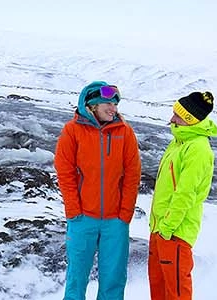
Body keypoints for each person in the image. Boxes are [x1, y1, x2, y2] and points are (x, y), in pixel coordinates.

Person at [54, 81, 141, 300]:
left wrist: (125, 214)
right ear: (92, 105)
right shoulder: (72, 131)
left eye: (115, 104)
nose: (113, 109)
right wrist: (74, 211)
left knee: (113, 280)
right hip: (83, 219)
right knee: (77, 277)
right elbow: (65, 171)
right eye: (108, 104)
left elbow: (132, 174)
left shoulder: (125, 132)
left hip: (115, 221)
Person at [149, 91, 216, 300]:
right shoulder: (178, 143)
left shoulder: (198, 149)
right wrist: (158, 227)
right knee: (158, 289)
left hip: (175, 232)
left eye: (177, 116)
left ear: (189, 119)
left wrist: (168, 227)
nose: (171, 120)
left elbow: (185, 193)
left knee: (177, 293)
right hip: (160, 229)